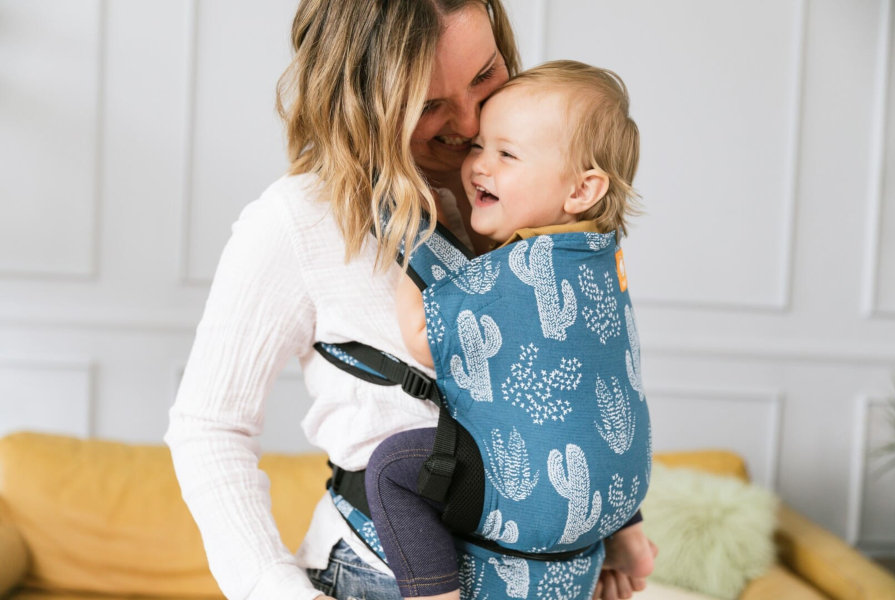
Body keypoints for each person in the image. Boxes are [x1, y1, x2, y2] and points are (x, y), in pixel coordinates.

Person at [164, 1, 649, 598]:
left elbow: (572, 390)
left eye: (484, 74)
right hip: (380, 577)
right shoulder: (298, 222)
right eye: (428, 104)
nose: (469, 123)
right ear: (360, 101)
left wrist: (604, 531)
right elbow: (210, 429)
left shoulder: (538, 195)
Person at [368, 61, 655, 600]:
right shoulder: (598, 256)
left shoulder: (527, 269)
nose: (478, 164)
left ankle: (433, 593)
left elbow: (423, 338)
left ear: (582, 189)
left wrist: (413, 236)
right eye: (479, 146)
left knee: (391, 472)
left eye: (507, 154)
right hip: (621, 485)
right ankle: (630, 543)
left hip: (544, 498)